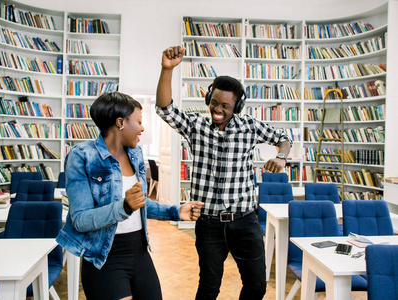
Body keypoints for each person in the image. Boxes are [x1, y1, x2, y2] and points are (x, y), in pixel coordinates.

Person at [156, 46, 293, 300]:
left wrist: (282, 156)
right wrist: (167, 69)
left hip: (245, 221)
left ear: (238, 106)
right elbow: (165, 109)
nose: (218, 109)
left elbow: (284, 138)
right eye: (214, 102)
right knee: (209, 287)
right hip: (208, 224)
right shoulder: (196, 125)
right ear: (209, 98)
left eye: (226, 106)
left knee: (256, 286)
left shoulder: (250, 126)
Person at [56, 91, 204, 300]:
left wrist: (176, 211)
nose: (142, 128)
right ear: (120, 122)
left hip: (140, 252)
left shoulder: (135, 153)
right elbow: (80, 220)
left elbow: (139, 204)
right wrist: (123, 207)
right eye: (139, 121)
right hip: (104, 256)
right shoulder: (82, 156)